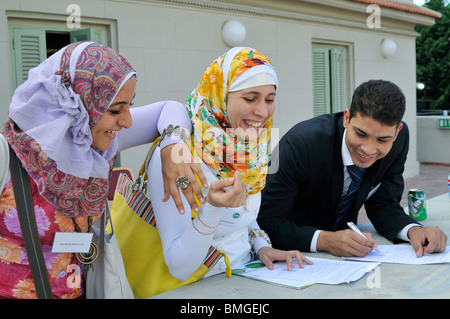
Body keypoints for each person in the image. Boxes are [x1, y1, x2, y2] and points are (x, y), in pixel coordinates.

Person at [0, 41, 204, 299]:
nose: (127, 121)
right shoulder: (7, 155)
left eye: (129, 106)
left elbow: (170, 109)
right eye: (115, 109)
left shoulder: (90, 143)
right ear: (76, 103)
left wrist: (173, 145)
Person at [146, 47, 312, 281]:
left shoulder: (254, 148)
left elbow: (246, 210)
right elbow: (179, 266)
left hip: (246, 277)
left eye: (270, 99)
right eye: (249, 98)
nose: (262, 111)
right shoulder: (179, 156)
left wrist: (261, 245)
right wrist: (212, 208)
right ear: (220, 95)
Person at [258, 80, 447, 258]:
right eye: (360, 134)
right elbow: (265, 221)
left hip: (350, 263)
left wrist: (414, 230)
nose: (368, 149)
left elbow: (384, 204)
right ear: (347, 118)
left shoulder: (399, 141)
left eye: (382, 140)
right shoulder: (298, 143)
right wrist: (325, 240)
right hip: (290, 257)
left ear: (397, 132)